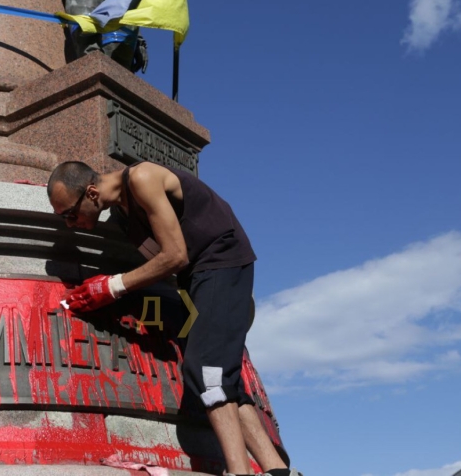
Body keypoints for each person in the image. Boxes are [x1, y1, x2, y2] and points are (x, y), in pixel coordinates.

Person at [47, 160, 295, 476]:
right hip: (196, 278)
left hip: (220, 262)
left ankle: (238, 471)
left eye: (69, 213)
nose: (70, 224)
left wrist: (112, 286)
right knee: (221, 375)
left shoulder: (142, 177)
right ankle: (277, 471)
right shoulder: (123, 214)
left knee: (205, 369)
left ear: (92, 192)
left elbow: (175, 254)